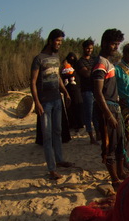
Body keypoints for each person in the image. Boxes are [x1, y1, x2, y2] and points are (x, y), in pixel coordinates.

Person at [30, 28, 73, 180]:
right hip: (45, 102)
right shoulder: (39, 59)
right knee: (47, 135)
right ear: (50, 40)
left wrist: (65, 92)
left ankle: (60, 159)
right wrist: (37, 102)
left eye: (61, 41)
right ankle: (52, 169)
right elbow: (33, 81)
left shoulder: (56, 57)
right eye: (57, 41)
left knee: (57, 131)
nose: (59, 44)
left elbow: (58, 78)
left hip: (57, 99)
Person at [92, 29, 126, 189]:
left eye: (117, 44)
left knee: (120, 142)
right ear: (104, 43)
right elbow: (98, 93)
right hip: (107, 109)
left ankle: (120, 173)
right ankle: (114, 180)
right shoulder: (100, 63)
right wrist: (108, 115)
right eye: (113, 44)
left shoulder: (108, 62)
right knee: (109, 146)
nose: (116, 47)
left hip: (115, 107)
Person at [76, 39, 99, 144]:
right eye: (87, 48)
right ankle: (91, 137)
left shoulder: (94, 59)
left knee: (96, 114)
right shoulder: (80, 62)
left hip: (96, 90)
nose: (89, 50)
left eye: (91, 48)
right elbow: (86, 74)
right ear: (84, 48)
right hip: (86, 91)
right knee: (88, 115)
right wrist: (95, 69)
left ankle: (98, 134)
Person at [61, 52, 83, 130]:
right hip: (68, 91)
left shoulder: (77, 67)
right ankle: (72, 123)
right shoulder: (63, 70)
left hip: (76, 90)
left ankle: (79, 123)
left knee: (77, 107)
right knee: (70, 108)